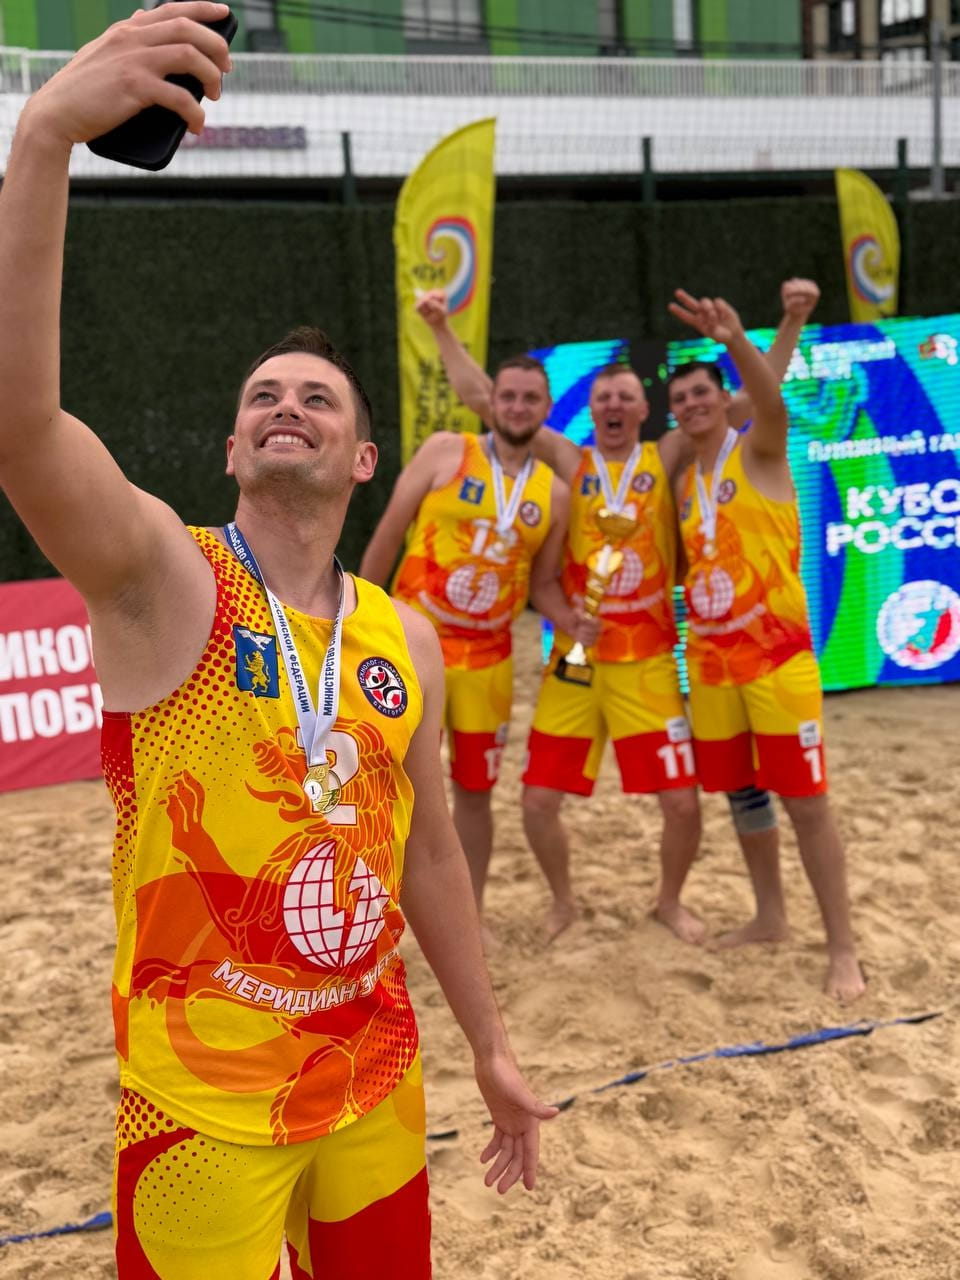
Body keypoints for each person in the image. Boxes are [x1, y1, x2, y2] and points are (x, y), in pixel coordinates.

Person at [0, 7, 556, 1277]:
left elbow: (428, 854)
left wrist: (490, 1041)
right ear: (235, 450)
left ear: (363, 459)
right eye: (262, 396)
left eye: (315, 396)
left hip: (373, 1074)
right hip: (201, 1104)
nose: (284, 404)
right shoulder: (164, 576)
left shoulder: (402, 636)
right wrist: (42, 142)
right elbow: (23, 431)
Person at [360, 301, 593, 913]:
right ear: (492, 401)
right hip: (411, 645)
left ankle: (469, 913)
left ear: (546, 409)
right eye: (507, 396)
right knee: (384, 779)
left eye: (530, 399)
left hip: (490, 662)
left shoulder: (556, 494)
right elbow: (388, 534)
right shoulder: (445, 450)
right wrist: (353, 618)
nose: (517, 407)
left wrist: (570, 620)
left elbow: (543, 583)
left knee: (474, 793)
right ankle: (376, 911)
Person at [666, 293, 866, 1002]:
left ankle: (843, 948)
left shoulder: (759, 448)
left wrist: (739, 337)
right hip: (713, 665)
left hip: (778, 662)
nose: (691, 404)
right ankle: (770, 916)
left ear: (726, 399)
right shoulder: (685, 481)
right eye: (680, 399)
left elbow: (771, 402)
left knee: (807, 805)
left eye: (702, 393)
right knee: (745, 796)